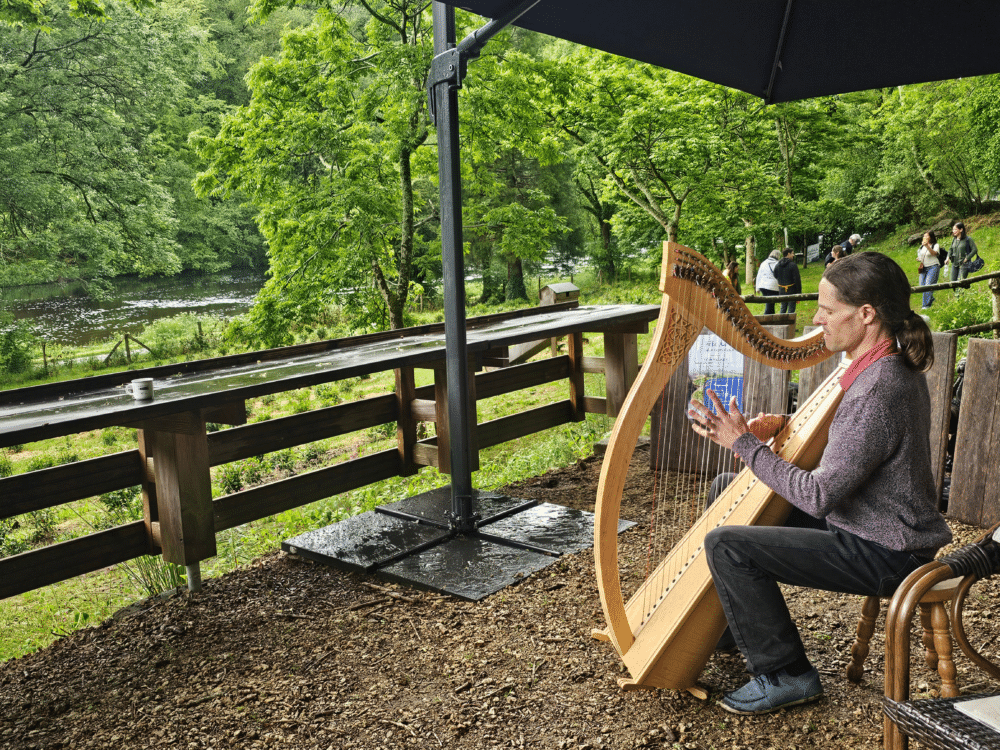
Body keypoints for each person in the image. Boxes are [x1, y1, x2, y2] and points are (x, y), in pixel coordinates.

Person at [686, 252, 951, 716]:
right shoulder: (882, 365)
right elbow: (862, 445)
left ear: (866, 314)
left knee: (728, 544)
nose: (816, 319)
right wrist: (784, 424)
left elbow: (818, 494)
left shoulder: (878, 386)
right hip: (867, 525)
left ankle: (789, 674)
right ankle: (735, 630)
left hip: (886, 549)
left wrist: (746, 444)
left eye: (827, 310)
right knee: (728, 486)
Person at [917, 230, 941, 309]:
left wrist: (927, 246)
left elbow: (934, 253)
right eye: (924, 236)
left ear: (931, 237)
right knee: (921, 286)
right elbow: (921, 256)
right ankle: (930, 298)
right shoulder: (921, 246)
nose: (925, 237)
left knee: (928, 285)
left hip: (933, 266)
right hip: (924, 267)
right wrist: (919, 258)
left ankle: (925, 306)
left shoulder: (935, 245)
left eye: (927, 236)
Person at [773, 247, 802, 314]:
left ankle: (781, 323)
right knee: (791, 309)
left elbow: (775, 275)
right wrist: (799, 293)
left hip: (782, 290)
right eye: (792, 253)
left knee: (783, 308)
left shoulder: (777, 265)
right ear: (788, 254)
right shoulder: (793, 265)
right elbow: (797, 280)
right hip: (791, 290)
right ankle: (789, 323)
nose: (793, 255)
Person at [755, 250, 782, 315]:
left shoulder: (763, 263)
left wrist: (757, 288)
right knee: (770, 304)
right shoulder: (777, 264)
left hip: (763, 286)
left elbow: (759, 275)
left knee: (770, 303)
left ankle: (771, 318)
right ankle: (766, 319)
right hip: (772, 287)